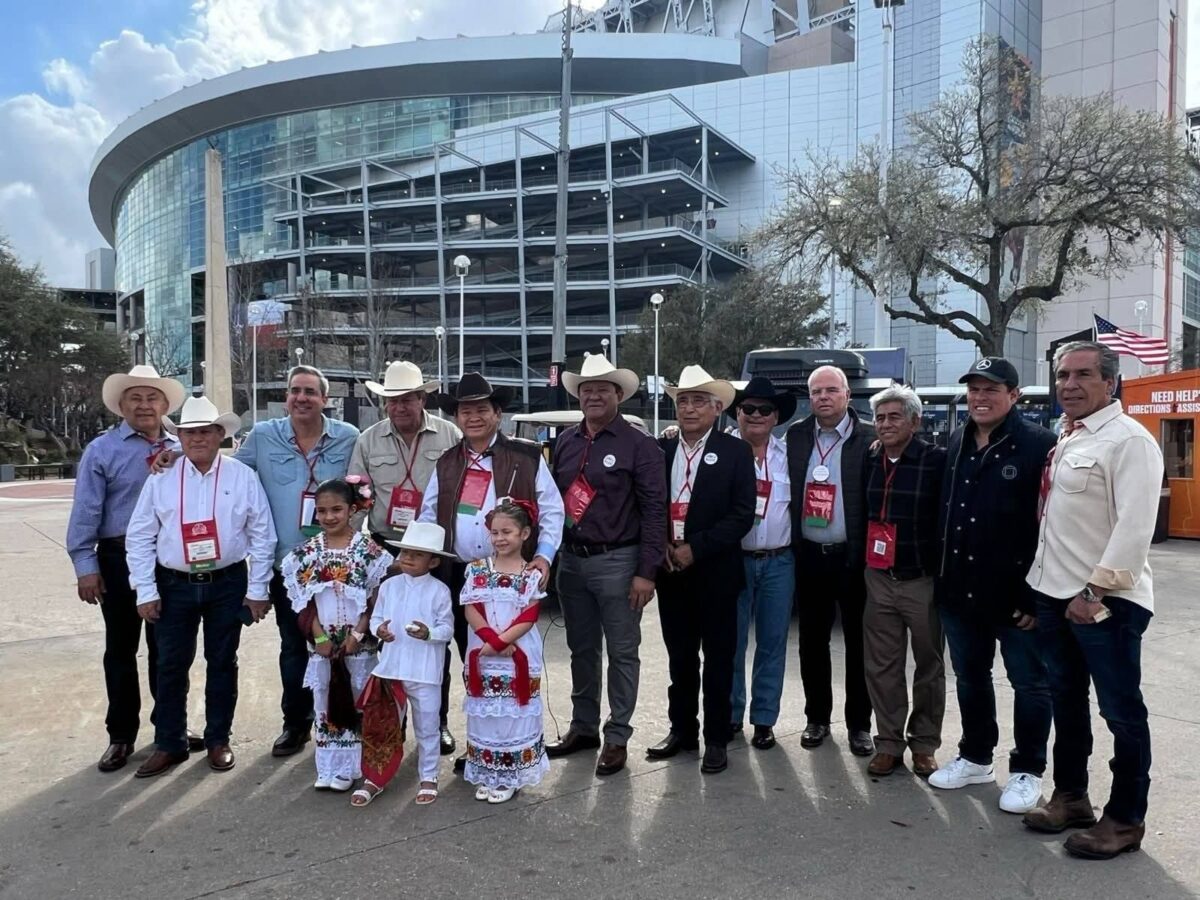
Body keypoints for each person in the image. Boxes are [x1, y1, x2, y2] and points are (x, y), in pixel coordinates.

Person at [1023, 341, 1163, 860]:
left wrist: (1094, 592)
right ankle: (1071, 797)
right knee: (1066, 701)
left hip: (1105, 604)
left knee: (1121, 713)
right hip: (1055, 596)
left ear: (1110, 382)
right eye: (1062, 375)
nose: (1069, 384)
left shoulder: (1129, 440)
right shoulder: (1070, 436)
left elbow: (1135, 527)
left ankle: (1125, 819)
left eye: (1083, 375)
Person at [124, 396, 276, 778]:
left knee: (223, 662)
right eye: (189, 432)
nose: (197, 439)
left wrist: (258, 590)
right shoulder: (161, 477)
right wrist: (145, 590)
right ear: (179, 437)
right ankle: (169, 742)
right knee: (170, 664)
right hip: (174, 585)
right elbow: (140, 536)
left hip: (227, 582)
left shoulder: (242, 476)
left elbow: (263, 535)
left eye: (205, 431)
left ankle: (218, 739)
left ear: (219, 434)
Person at [417, 372, 564, 768]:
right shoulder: (447, 462)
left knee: (505, 658)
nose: (474, 417)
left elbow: (552, 510)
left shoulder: (526, 456)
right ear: (457, 417)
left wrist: (544, 556)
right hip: (458, 574)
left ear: (498, 413)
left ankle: (510, 747)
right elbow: (428, 515)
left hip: (511, 577)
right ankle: (479, 744)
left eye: (482, 409)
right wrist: (423, 562)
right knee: (470, 658)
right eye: (466, 411)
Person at [929, 358, 1056, 814]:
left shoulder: (1040, 444)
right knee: (970, 677)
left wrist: (1034, 597)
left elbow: (1051, 525)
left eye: (991, 389)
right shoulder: (956, 439)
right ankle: (976, 757)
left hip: (1015, 597)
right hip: (959, 591)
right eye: (974, 390)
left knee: (1030, 684)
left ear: (1014, 395)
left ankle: (1028, 770)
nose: (980, 398)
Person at [547, 355, 667, 776]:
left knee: (622, 652)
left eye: (602, 388)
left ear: (619, 394)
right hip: (572, 561)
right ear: (578, 396)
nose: (594, 395)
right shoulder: (566, 441)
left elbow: (655, 511)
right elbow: (554, 502)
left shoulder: (639, 445)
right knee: (581, 649)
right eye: (587, 389)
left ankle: (617, 736)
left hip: (619, 561)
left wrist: (647, 571)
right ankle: (583, 727)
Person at [234, 365, 360, 758]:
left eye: (310, 391)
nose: (301, 398)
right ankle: (296, 723)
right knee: (294, 646)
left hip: (337, 564)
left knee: (341, 643)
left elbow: (364, 489)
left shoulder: (348, 437)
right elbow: (229, 476)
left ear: (325, 399)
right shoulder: (262, 436)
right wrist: (174, 457)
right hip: (287, 567)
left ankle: (343, 720)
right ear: (286, 397)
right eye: (295, 391)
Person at [67, 364, 186, 772]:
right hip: (118, 559)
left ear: (165, 405)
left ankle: (169, 729)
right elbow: (86, 510)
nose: (144, 405)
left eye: (152, 398)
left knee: (167, 650)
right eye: (135, 398)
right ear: (121, 405)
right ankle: (120, 735)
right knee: (120, 649)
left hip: (167, 560)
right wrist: (85, 565)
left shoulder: (182, 446)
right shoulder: (102, 450)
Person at [648, 365, 755, 775]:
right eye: (682, 401)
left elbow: (742, 514)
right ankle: (682, 730)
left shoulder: (736, 452)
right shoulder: (661, 449)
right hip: (671, 571)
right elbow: (649, 504)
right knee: (680, 658)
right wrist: (662, 543)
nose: (689, 408)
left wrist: (698, 547)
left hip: (716, 572)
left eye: (697, 401)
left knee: (719, 659)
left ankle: (716, 738)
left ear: (717, 408)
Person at [280, 477, 392, 793]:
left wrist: (357, 635)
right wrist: (319, 639)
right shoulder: (306, 553)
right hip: (324, 645)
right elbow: (303, 605)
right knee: (325, 702)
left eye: (336, 510)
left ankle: (355, 767)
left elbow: (375, 601)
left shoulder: (369, 552)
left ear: (352, 509)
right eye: (322, 511)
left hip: (357, 644)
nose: (329, 517)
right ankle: (330, 766)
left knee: (359, 701)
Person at [786, 364, 875, 756]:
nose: (823, 397)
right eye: (816, 392)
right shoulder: (796, 435)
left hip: (852, 558)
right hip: (809, 555)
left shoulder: (869, 436)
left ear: (847, 395)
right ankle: (817, 718)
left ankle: (859, 725)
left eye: (831, 390)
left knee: (859, 644)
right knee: (811, 642)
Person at [859, 385, 947, 778]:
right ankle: (889, 744)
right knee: (882, 665)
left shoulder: (936, 460)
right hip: (879, 577)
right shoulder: (871, 457)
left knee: (929, 664)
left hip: (921, 579)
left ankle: (924, 744)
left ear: (915, 421)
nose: (885, 424)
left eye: (894, 416)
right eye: (880, 417)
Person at [355, 521, 456, 808]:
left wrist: (429, 633)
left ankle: (429, 777)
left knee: (427, 727)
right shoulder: (389, 586)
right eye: (406, 552)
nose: (408, 558)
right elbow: (376, 618)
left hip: (424, 672)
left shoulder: (439, 591)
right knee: (382, 726)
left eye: (417, 554)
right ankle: (375, 777)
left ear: (433, 562)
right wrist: (379, 630)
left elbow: (447, 629)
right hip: (391, 669)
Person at [461, 499, 551, 803]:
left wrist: (502, 642)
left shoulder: (531, 574)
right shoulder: (476, 569)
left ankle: (509, 776)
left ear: (524, 534)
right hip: (484, 649)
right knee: (486, 714)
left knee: (514, 712)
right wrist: (491, 641)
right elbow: (471, 609)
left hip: (517, 650)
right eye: (495, 532)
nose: (500, 538)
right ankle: (488, 771)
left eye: (507, 532)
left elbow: (529, 614)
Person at [729, 376, 796, 751]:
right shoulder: (722, 454)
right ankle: (731, 713)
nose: (756, 415)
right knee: (731, 642)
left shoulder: (790, 457)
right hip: (733, 561)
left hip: (778, 561)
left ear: (776, 417)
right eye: (748, 408)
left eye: (764, 409)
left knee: (772, 643)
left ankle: (765, 719)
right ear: (737, 413)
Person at [349, 360, 462, 547]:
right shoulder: (367, 440)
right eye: (393, 401)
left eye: (407, 400)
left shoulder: (450, 435)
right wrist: (350, 544)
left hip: (434, 544)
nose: (400, 408)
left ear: (422, 400)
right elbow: (359, 497)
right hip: (384, 543)